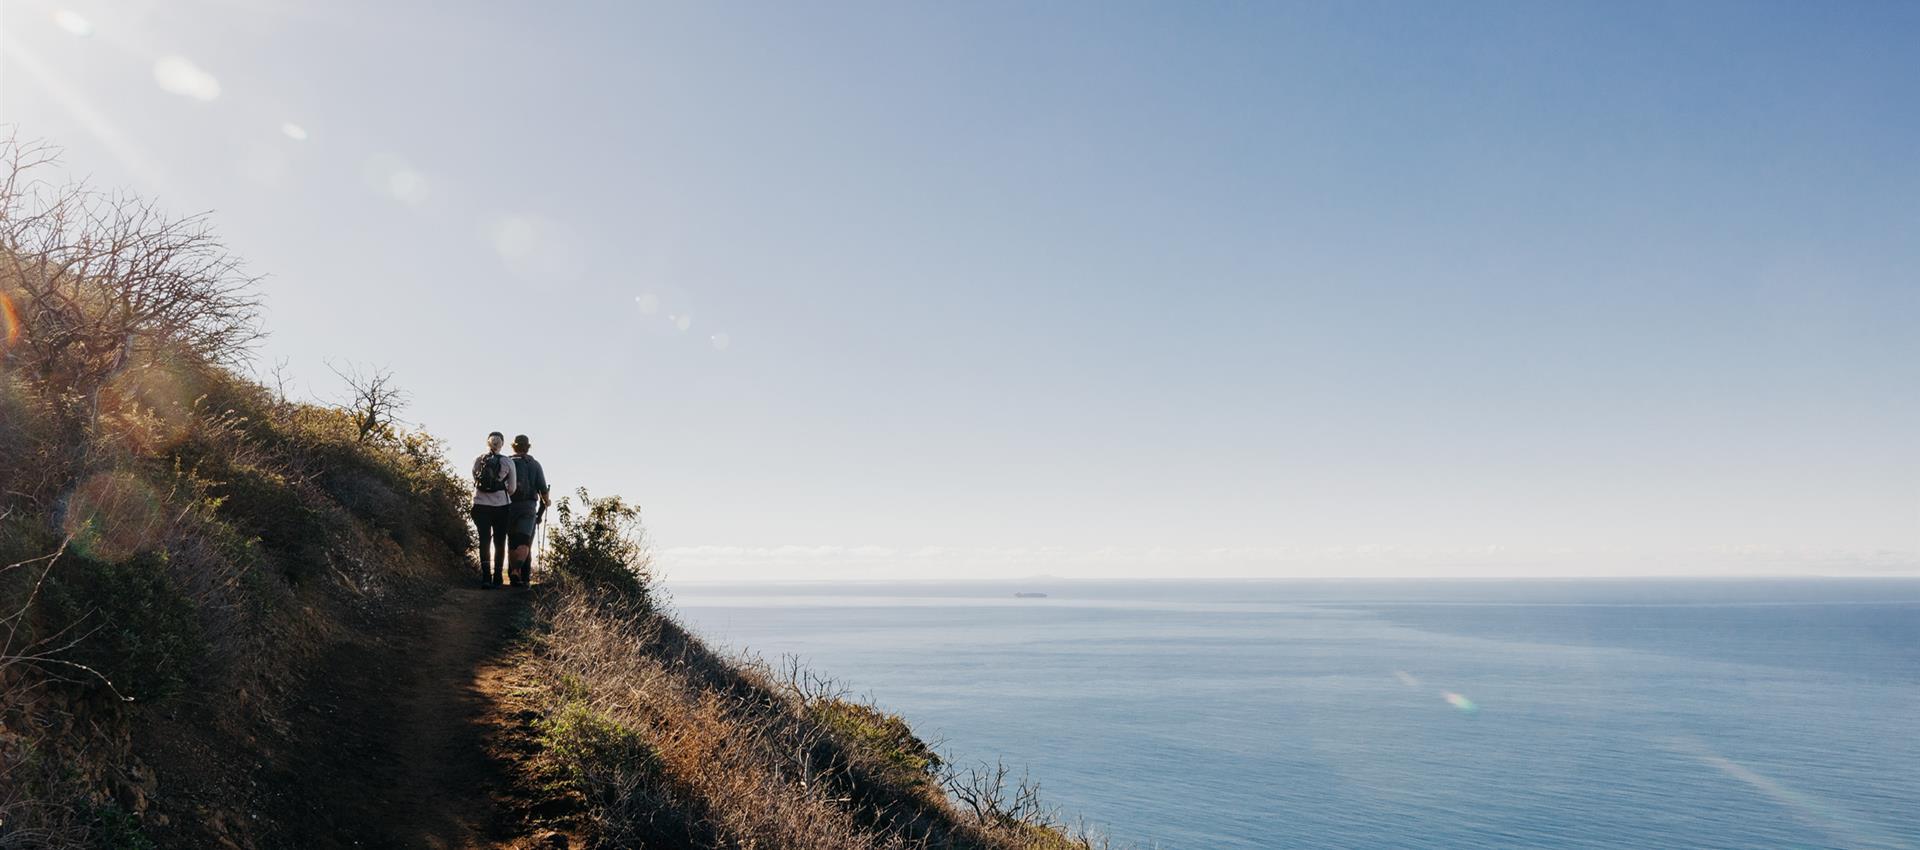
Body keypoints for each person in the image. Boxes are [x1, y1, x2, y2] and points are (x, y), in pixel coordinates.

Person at [471, 431, 517, 587]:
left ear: (488, 443)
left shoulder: (479, 459)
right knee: (499, 541)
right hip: (501, 506)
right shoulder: (508, 462)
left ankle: (485, 577)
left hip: (480, 504)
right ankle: (497, 577)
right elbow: (512, 488)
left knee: (484, 540)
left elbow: (475, 478)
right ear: (502, 444)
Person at [506, 434, 551, 587]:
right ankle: (519, 572)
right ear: (528, 447)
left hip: (509, 506)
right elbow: (543, 489)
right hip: (528, 507)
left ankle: (514, 573)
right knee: (524, 540)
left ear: (514, 447)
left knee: (512, 541)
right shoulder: (535, 465)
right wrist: (546, 502)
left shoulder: (507, 462)